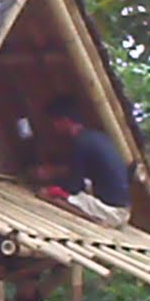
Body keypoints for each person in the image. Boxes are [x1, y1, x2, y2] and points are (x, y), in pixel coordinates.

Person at [31, 96, 132, 228]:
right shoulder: (97, 137)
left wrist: (53, 184)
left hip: (111, 212)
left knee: (46, 194)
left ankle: (96, 220)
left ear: (65, 121)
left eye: (55, 122)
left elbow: (74, 186)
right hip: (123, 208)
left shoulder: (80, 143)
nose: (54, 127)